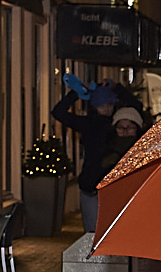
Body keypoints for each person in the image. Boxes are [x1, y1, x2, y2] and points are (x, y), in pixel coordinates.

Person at [51, 82, 124, 234]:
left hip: (112, 184)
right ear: (94, 105)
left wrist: (117, 87)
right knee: (92, 232)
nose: (106, 108)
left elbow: (136, 109)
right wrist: (75, 94)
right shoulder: (88, 123)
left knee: (110, 230)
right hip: (91, 183)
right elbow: (58, 112)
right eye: (102, 105)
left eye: (109, 104)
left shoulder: (118, 123)